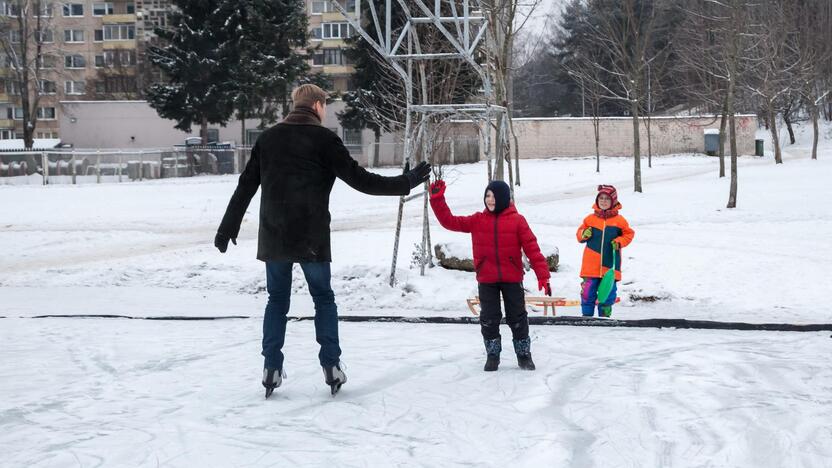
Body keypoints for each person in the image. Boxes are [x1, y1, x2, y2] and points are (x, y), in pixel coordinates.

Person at [214, 84, 431, 397]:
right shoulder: (325, 139)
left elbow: (245, 187)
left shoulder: (268, 138)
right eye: (324, 106)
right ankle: (331, 365)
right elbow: (362, 181)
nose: (325, 111)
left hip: (274, 237)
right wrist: (406, 182)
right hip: (311, 237)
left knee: (277, 300)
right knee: (323, 299)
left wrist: (226, 229)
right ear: (316, 105)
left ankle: (271, 366)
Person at [429, 179, 551, 372]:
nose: (490, 200)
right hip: (487, 279)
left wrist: (542, 275)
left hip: (512, 278)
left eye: (494, 196)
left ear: (503, 198)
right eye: (487, 195)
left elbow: (532, 248)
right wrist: (437, 200)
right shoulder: (478, 220)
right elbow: (450, 221)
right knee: (489, 319)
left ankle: (523, 354)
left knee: (517, 317)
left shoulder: (517, 220)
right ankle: (493, 355)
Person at [576, 185, 635, 317]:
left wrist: (619, 241)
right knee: (587, 293)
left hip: (610, 266)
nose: (603, 201)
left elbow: (629, 234)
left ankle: (604, 317)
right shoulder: (590, 219)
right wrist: (584, 234)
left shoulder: (620, 221)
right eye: (601, 198)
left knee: (607, 294)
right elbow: (579, 234)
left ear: (613, 201)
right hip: (590, 265)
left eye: (607, 199)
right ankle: (587, 317)